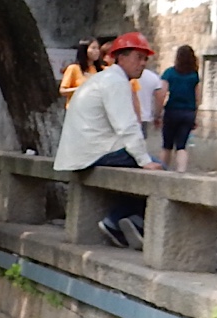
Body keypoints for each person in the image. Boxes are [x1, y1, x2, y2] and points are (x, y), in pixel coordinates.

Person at [53, 30, 164, 248]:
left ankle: (125, 221)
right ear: (120, 57)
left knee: (139, 168)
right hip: (95, 152)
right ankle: (124, 221)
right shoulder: (115, 82)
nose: (142, 63)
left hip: (84, 151)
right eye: (138, 57)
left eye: (145, 59)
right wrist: (145, 160)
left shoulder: (105, 78)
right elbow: (127, 126)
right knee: (160, 172)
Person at [159, 45, 201, 171]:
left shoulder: (169, 73)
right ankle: (181, 172)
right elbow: (198, 98)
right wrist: (195, 116)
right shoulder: (194, 76)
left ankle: (162, 171)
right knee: (181, 146)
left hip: (172, 111)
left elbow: (162, 93)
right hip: (188, 113)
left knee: (167, 145)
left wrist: (158, 113)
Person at [59, 40, 99, 106]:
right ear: (84, 49)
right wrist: (82, 89)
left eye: (98, 48)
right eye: (93, 48)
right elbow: (63, 91)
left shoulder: (101, 69)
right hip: (76, 108)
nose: (97, 51)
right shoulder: (73, 68)